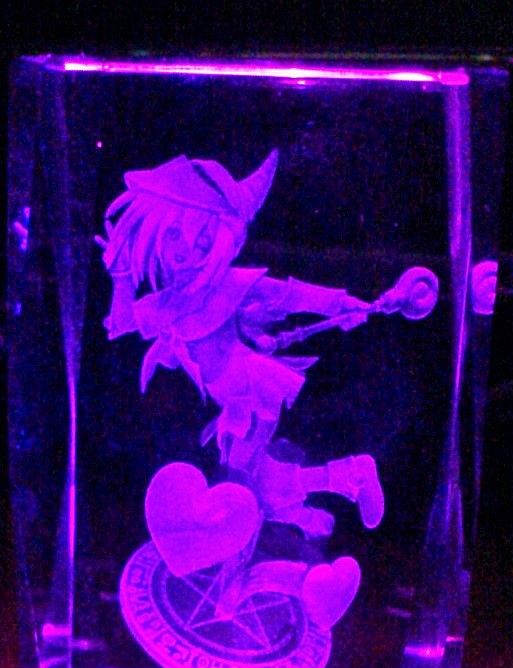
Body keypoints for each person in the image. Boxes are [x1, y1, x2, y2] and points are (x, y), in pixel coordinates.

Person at [99, 150, 384, 538]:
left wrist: (340, 303)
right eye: (174, 234)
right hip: (230, 400)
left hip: (250, 390)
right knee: (252, 480)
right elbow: (120, 324)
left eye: (203, 240)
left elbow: (288, 295)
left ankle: (295, 514)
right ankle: (347, 476)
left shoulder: (228, 285)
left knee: (238, 487)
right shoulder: (165, 304)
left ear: (222, 241)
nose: (186, 250)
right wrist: (120, 275)